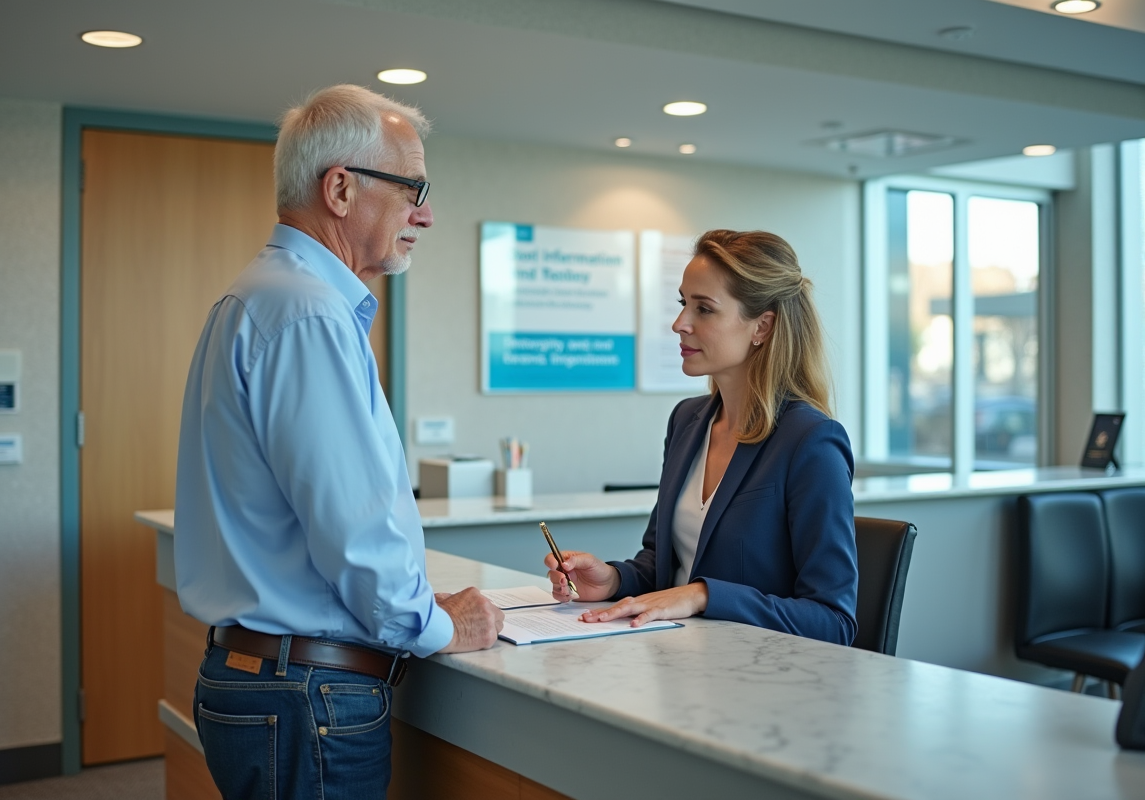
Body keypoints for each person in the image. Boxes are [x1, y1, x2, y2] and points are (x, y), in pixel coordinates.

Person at [173, 84, 503, 800]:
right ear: (341, 189)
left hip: (272, 680)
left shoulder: (260, 297)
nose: (427, 212)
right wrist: (440, 625)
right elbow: (353, 530)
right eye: (413, 186)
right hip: (308, 695)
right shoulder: (307, 315)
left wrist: (411, 601)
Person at [546, 230, 858, 645]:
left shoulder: (811, 441)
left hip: (756, 682)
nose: (680, 324)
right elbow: (664, 563)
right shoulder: (687, 421)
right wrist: (614, 579)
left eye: (704, 309)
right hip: (675, 663)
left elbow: (833, 620)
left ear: (762, 326)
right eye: (683, 304)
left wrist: (704, 595)